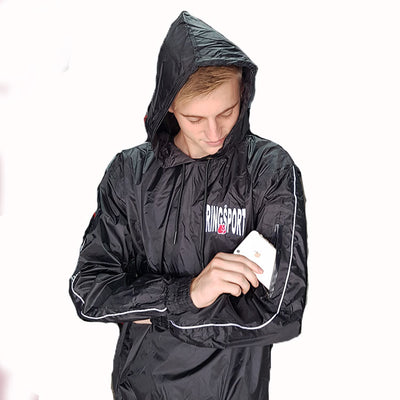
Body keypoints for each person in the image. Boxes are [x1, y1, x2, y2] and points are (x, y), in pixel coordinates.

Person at [69, 10, 308, 400]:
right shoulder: (129, 173)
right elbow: (90, 292)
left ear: (243, 96)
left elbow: (282, 311)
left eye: (227, 112)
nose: (214, 133)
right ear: (169, 107)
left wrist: (156, 314)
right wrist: (188, 294)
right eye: (195, 118)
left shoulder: (269, 170)